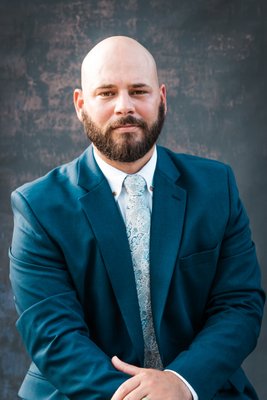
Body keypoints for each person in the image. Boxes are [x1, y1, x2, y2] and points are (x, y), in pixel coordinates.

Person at [9, 36, 265, 400]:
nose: (124, 106)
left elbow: (239, 306)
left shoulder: (216, 187)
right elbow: (53, 334)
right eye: (107, 93)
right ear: (80, 104)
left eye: (138, 91)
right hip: (82, 392)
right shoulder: (37, 207)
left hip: (197, 387)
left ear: (162, 98)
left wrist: (180, 383)